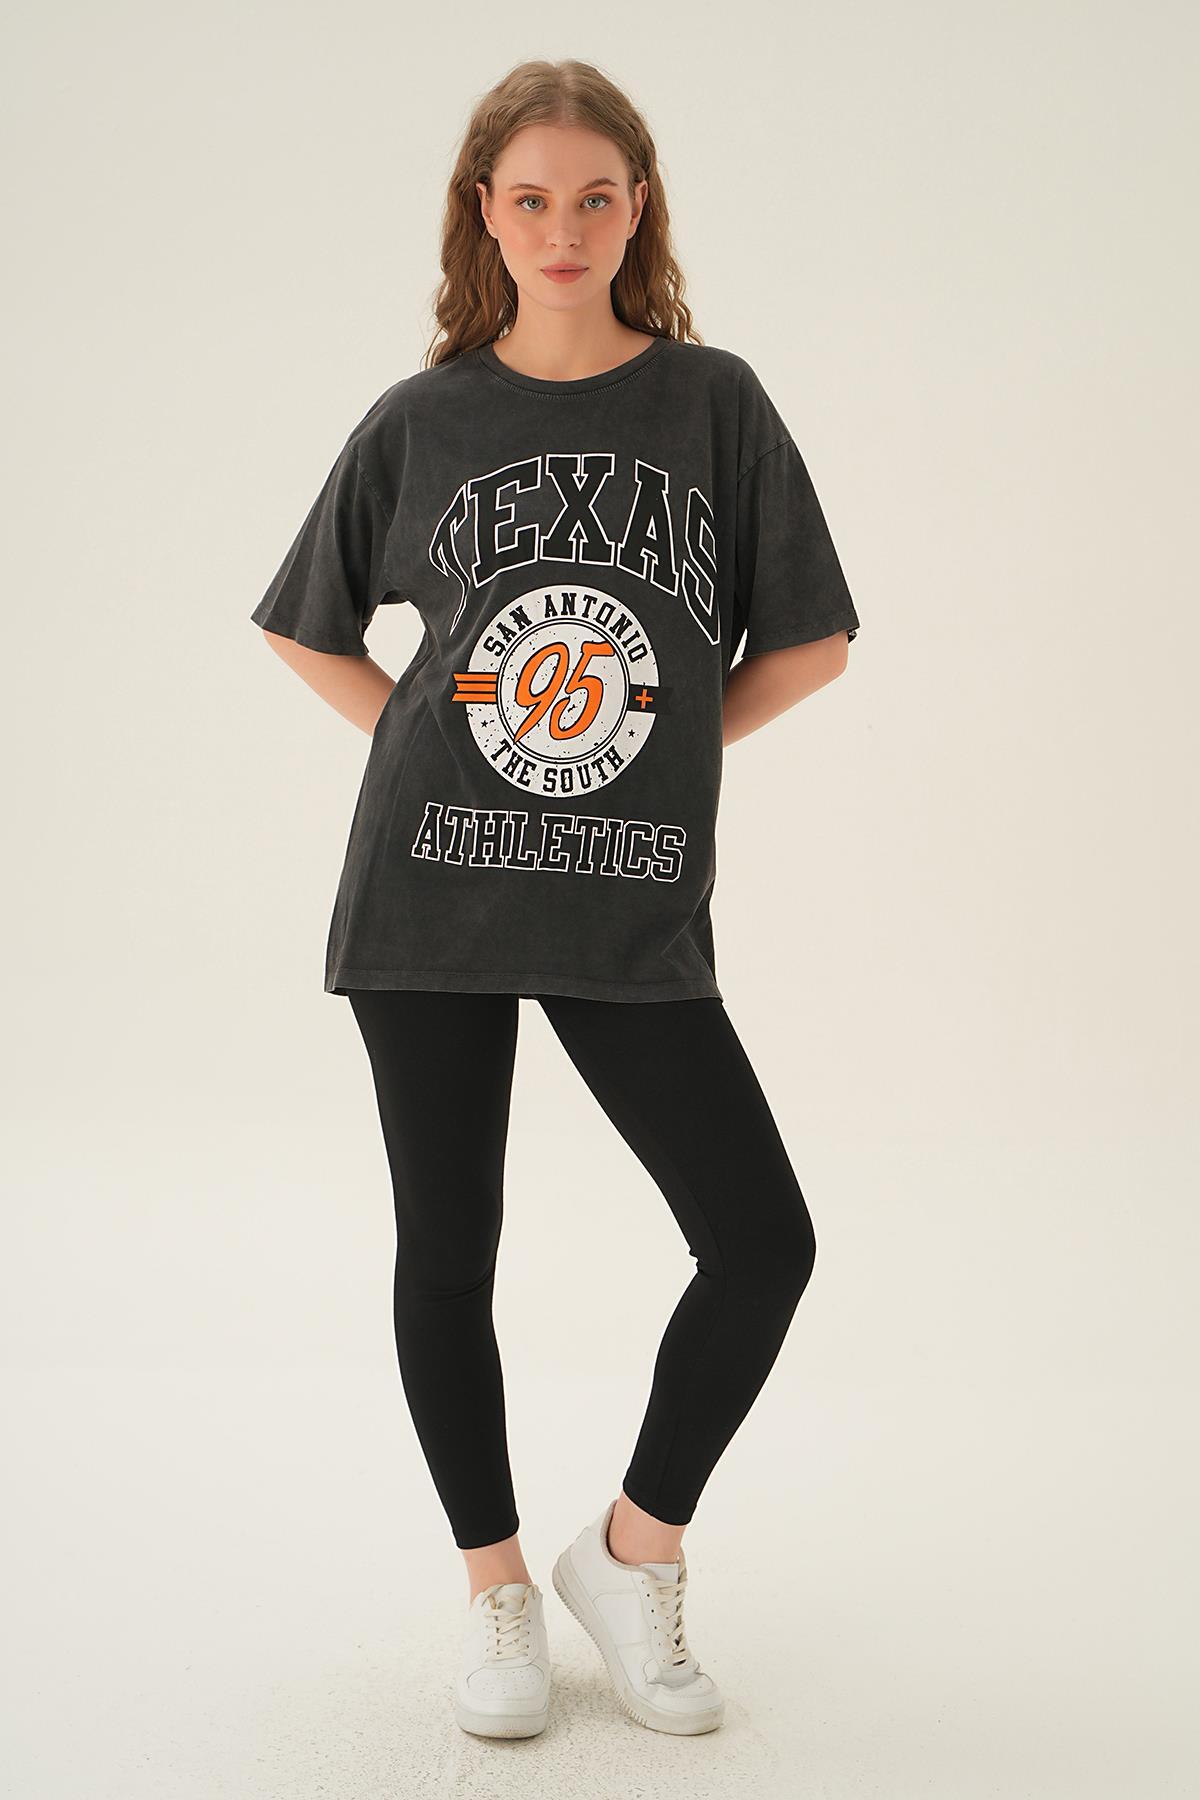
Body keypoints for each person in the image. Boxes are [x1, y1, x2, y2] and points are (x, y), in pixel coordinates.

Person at [250, 57, 861, 1742]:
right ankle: (496, 1592)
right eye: (530, 198)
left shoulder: (713, 404)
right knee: (450, 1250)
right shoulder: (425, 418)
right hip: (428, 900)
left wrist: (661, 752)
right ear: (485, 214)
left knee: (762, 1243)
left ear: (638, 206)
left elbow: (810, 639)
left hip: (624, 901)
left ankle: (630, 1549)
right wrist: (440, 750)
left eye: (596, 195)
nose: (565, 227)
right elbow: (308, 624)